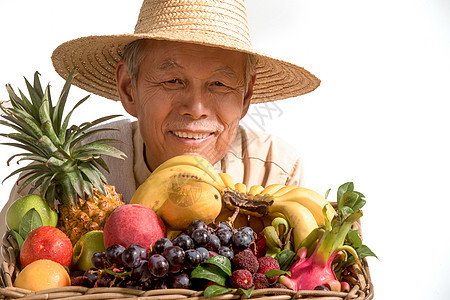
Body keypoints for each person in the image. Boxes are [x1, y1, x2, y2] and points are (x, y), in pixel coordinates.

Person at [0, 0, 320, 237]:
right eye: (172, 81)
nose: (195, 108)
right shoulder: (63, 172)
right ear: (129, 89)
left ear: (246, 96)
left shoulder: (274, 170)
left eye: (219, 84)